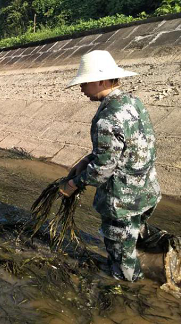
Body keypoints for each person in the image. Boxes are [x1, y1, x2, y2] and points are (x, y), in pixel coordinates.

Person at [59, 50, 161, 282]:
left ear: (101, 81)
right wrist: (85, 160)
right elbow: (126, 146)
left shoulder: (107, 117)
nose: (81, 88)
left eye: (84, 83)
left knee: (122, 262)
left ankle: (129, 295)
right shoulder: (132, 102)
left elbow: (103, 168)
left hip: (122, 200)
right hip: (146, 192)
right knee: (134, 238)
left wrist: (74, 184)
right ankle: (152, 266)